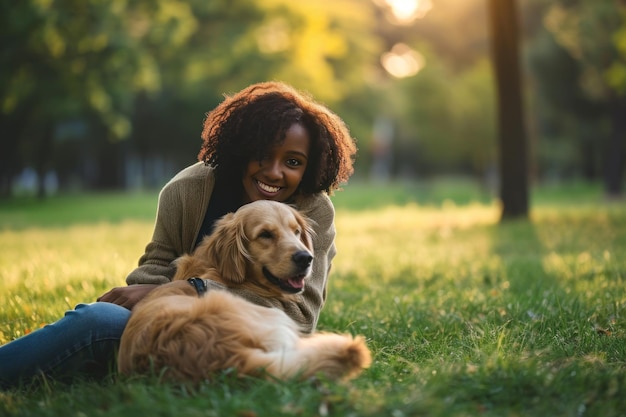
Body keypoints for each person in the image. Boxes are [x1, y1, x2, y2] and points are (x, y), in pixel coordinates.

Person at [0, 81, 357, 389]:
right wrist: (160, 294)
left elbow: (301, 318)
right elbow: (156, 264)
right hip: (172, 321)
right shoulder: (187, 190)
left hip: (259, 329)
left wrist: (196, 288)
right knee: (96, 320)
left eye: (293, 162)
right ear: (240, 148)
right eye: (262, 156)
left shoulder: (314, 211)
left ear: (311, 167)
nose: (275, 173)